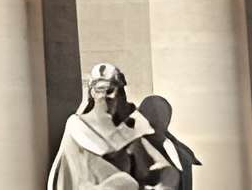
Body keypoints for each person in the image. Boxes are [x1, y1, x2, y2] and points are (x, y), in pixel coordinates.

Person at [47, 64, 182, 189]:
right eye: (100, 90)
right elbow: (103, 148)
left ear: (121, 94)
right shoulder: (77, 125)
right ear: (92, 93)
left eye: (111, 90)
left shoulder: (128, 129)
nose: (105, 96)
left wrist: (166, 178)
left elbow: (154, 167)